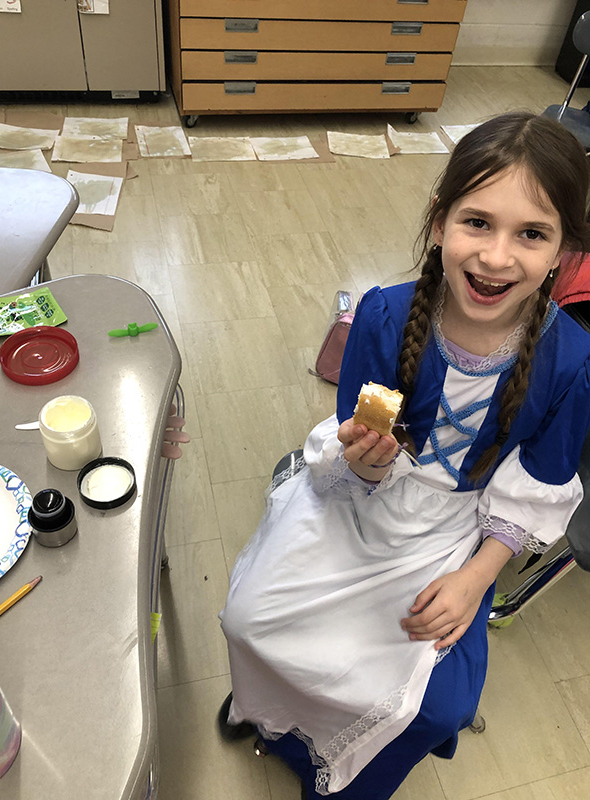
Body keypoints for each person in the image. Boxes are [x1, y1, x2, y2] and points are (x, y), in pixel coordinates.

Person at [218, 111, 590, 799]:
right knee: (249, 621)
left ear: (565, 250)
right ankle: (271, 719)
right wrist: (362, 464)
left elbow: (540, 481)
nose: (498, 257)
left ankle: (341, 781)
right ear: (439, 219)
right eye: (477, 222)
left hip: (458, 531)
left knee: (440, 706)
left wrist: (477, 579)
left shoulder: (571, 361)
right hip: (362, 501)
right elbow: (354, 438)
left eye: (531, 234)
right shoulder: (386, 316)